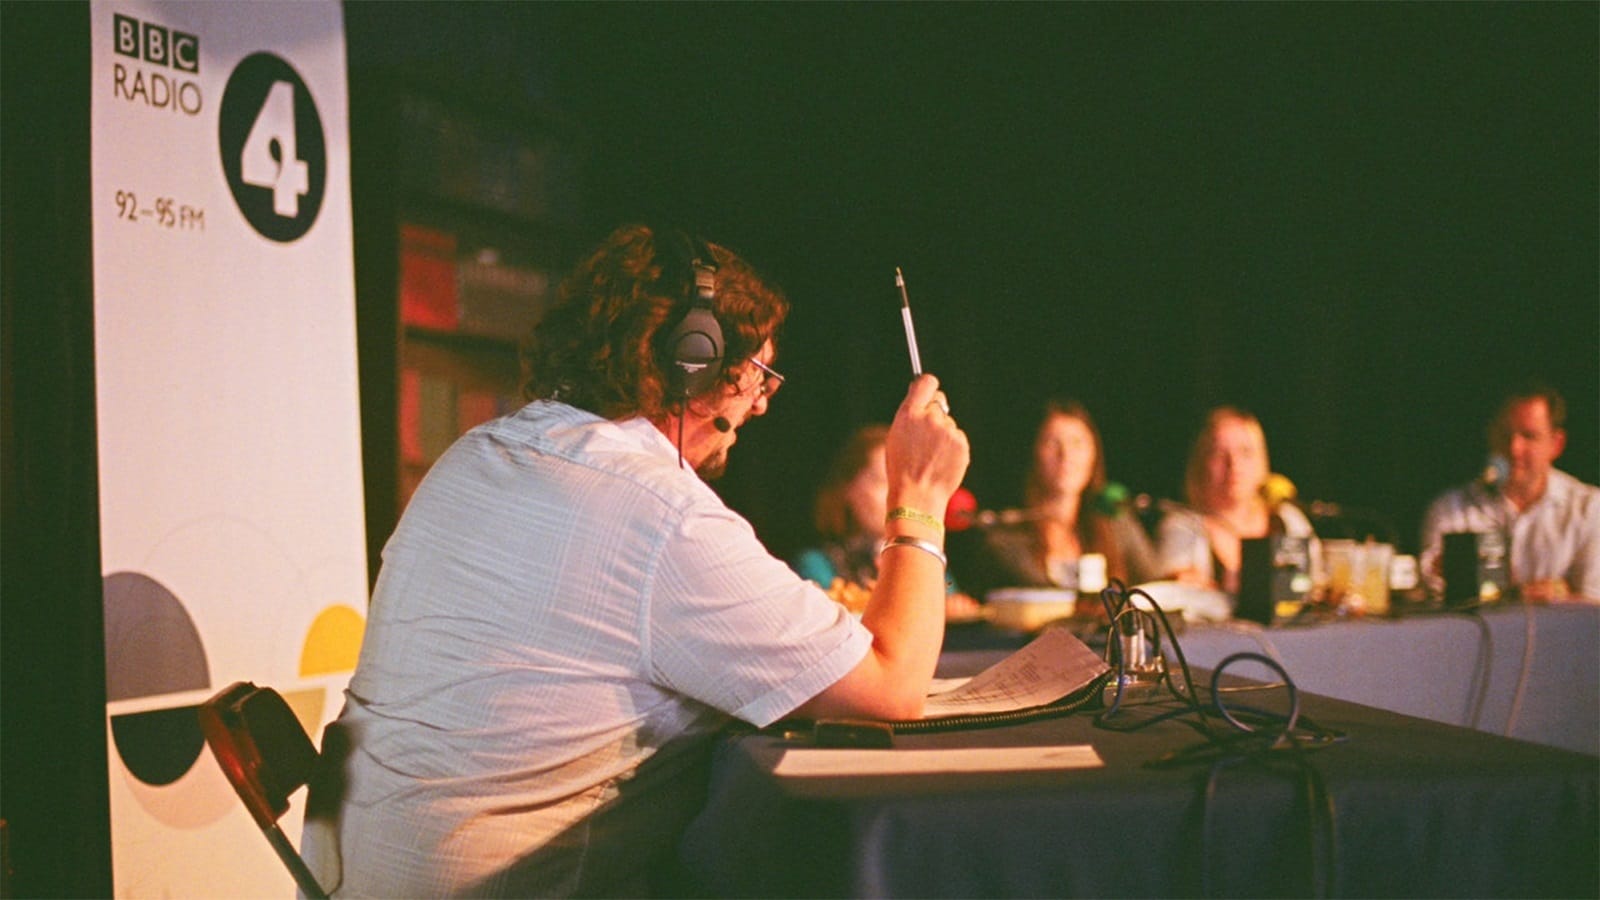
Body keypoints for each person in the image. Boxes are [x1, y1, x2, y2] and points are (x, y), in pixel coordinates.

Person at [303, 224, 970, 897]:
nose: (765, 400)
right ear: (696, 363)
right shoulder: (660, 515)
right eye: (760, 373)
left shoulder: (473, 456)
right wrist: (918, 493)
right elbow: (889, 689)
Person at [1419, 381, 1600, 602]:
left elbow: (1594, 610)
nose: (1514, 449)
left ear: (1556, 444)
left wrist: (1562, 597)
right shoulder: (1450, 509)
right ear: (1490, 436)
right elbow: (1436, 601)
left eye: (1529, 436)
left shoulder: (1590, 508)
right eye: (1505, 435)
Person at [966, 399, 1161, 599]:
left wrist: (1178, 578)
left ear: (1094, 454)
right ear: (1033, 452)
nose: (1066, 455)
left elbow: (1156, 588)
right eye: (1052, 443)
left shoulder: (1116, 523)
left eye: (1077, 443)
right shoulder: (1006, 538)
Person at [792, 424, 982, 620]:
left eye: (903, 485)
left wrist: (955, 608)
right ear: (848, 488)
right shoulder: (818, 564)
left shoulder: (923, 556)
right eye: (882, 481)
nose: (896, 496)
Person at [1156, 406, 1315, 596]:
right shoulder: (1182, 527)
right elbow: (1174, 595)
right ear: (1200, 463)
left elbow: (1317, 584)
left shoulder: (1288, 519)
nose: (1234, 465)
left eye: (1245, 453)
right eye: (1218, 454)